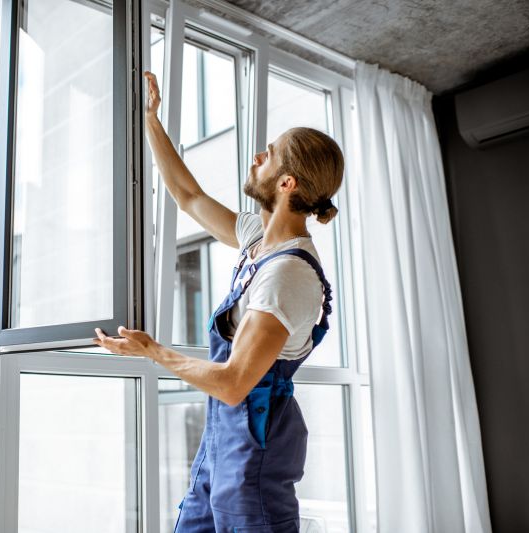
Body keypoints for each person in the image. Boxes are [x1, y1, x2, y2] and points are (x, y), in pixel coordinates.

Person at [93, 71, 344, 532]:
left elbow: (232, 384)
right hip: (223, 442)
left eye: (268, 156)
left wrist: (153, 351)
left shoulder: (287, 274)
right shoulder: (257, 240)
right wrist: (152, 120)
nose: (257, 158)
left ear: (286, 183)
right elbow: (188, 197)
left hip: (256, 453)